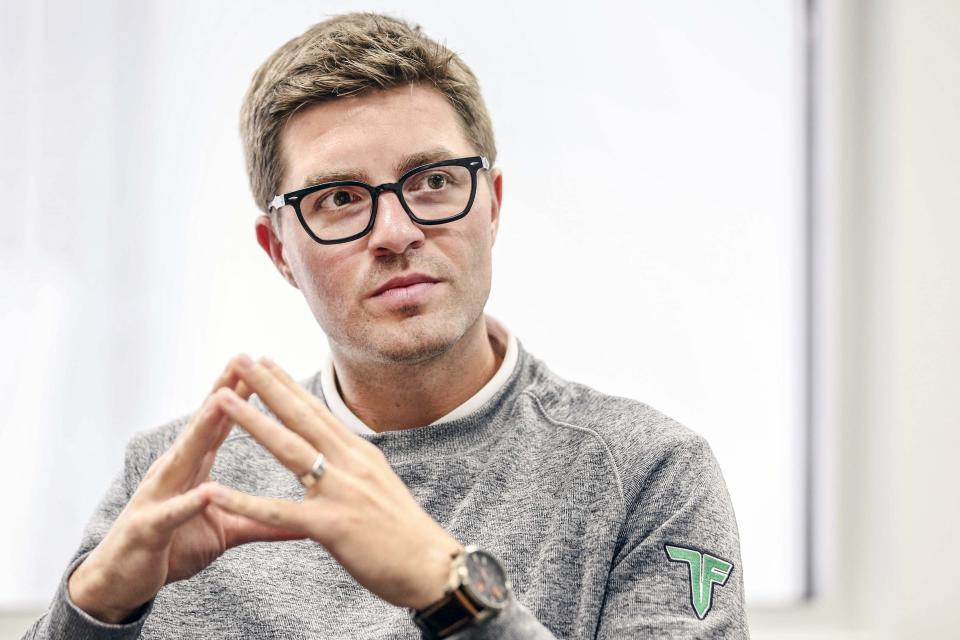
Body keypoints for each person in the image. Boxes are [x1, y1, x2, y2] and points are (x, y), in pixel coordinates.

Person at [23, 12, 748, 640]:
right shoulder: (184, 483)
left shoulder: (649, 474)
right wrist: (92, 607)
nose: (396, 231)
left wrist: (450, 587)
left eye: (433, 181)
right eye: (340, 197)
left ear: (491, 204)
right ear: (279, 251)